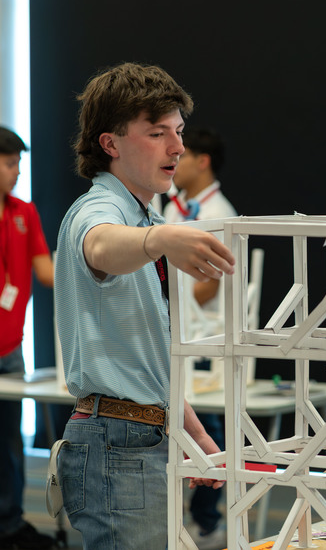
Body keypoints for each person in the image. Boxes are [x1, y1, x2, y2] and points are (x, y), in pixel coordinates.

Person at [54, 62, 235, 549]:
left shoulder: (143, 217)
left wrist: (195, 433)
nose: (177, 147)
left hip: (140, 438)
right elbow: (99, 244)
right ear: (110, 143)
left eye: (178, 132)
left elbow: (147, 363)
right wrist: (159, 239)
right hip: (118, 444)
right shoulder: (101, 210)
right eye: (157, 133)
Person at [163, 127, 236, 549]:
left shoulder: (219, 212)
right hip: (175, 329)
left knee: (207, 425)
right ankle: (176, 516)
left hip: (206, 338)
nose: (175, 159)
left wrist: (166, 295)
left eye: (184, 153)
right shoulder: (172, 208)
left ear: (203, 161)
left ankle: (207, 522)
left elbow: (209, 285)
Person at [0, 127, 56, 549]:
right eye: (8, 163)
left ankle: (10, 522)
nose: (16, 172)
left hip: (11, 350)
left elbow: (47, 272)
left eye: (18, 163)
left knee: (9, 443)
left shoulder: (25, 212)